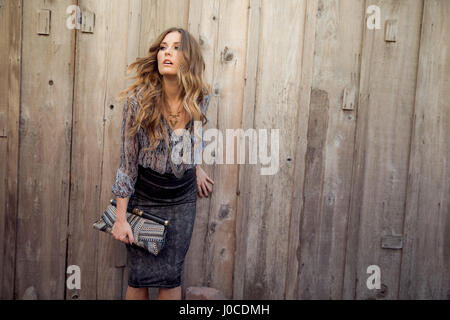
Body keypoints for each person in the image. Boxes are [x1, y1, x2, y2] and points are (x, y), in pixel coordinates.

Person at [110, 27, 214, 300]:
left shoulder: (200, 99)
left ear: (188, 57)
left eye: (176, 47)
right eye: (163, 47)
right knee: (139, 279)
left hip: (182, 199)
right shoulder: (137, 102)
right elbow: (127, 164)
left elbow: (192, 142)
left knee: (170, 279)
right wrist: (121, 220)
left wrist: (197, 167)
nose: (167, 52)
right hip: (144, 198)